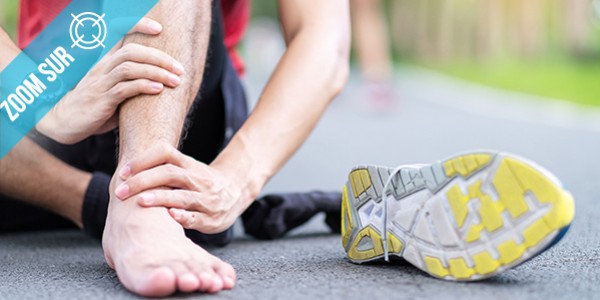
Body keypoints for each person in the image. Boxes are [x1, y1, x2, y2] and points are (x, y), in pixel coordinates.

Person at [0, 0, 350, 296]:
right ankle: (95, 203)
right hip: (47, 94)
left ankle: (145, 203)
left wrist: (236, 177)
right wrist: (44, 104)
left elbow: (322, 35)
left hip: (183, 100)